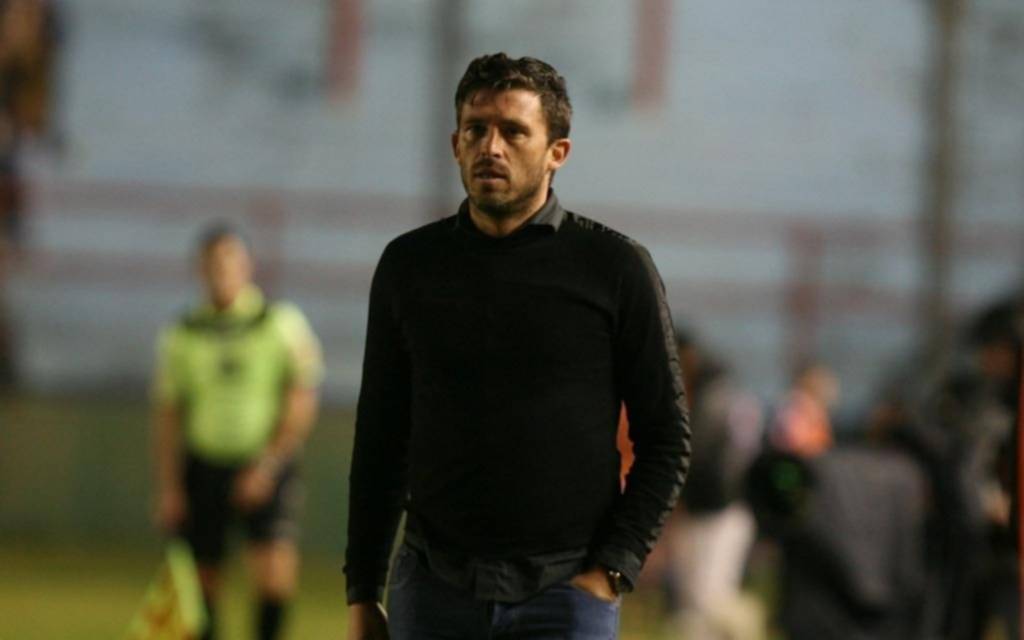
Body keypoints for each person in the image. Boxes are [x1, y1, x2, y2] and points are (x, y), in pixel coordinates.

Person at [344, 53, 690, 640]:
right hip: (432, 588)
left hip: (565, 595)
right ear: (455, 144)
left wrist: (613, 568)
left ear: (558, 152)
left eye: (513, 131)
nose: (491, 147)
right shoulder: (409, 266)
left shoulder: (614, 268)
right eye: (476, 130)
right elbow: (381, 436)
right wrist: (362, 590)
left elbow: (667, 436)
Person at [151, 224, 323, 640]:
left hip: (265, 465)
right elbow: (169, 413)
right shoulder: (183, 332)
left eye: (230, 262)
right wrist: (170, 486)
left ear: (248, 266)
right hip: (205, 465)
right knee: (201, 584)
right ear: (200, 269)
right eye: (213, 264)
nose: (222, 272)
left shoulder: (278, 323)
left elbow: (302, 398)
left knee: (275, 575)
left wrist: (267, 464)